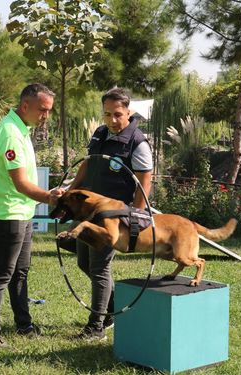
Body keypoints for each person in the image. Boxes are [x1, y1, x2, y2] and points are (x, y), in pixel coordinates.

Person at [0, 83, 63, 349]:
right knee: (2, 274)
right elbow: (20, 184)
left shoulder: (21, 128)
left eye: (49, 111)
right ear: (25, 106)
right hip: (9, 214)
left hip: (21, 212)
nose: (45, 116)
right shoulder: (11, 134)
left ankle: (24, 325)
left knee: (21, 272)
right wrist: (49, 198)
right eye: (42, 110)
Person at [68, 87, 153, 341]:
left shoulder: (137, 142)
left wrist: (136, 215)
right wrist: (70, 191)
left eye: (117, 114)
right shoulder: (100, 133)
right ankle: (113, 309)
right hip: (88, 212)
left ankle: (96, 327)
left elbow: (144, 180)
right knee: (85, 262)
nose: (112, 120)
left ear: (128, 111)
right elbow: (87, 164)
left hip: (113, 217)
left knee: (100, 267)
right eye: (107, 114)